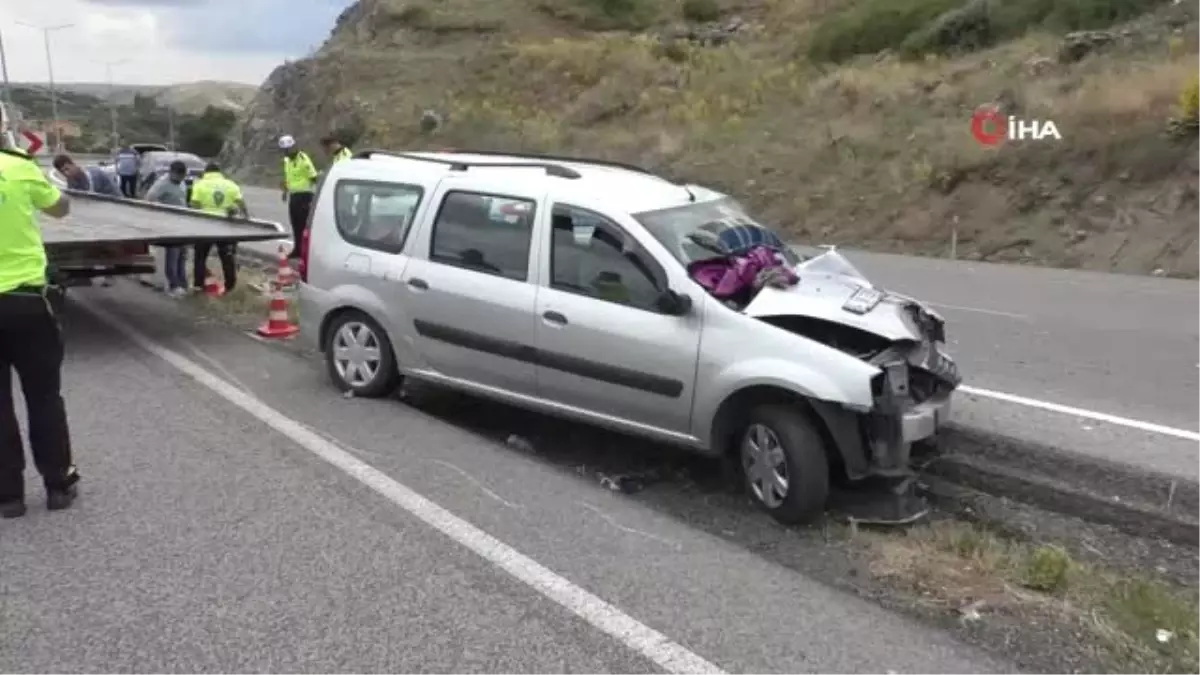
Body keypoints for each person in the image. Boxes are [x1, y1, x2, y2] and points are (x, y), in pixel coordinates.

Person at [0, 145, 79, 518]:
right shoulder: (20, 168)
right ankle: (57, 486)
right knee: (44, 397)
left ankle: (9, 497)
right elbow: (61, 208)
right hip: (28, 302)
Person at [52, 154, 119, 287]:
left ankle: (110, 274)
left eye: (67, 168)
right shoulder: (71, 179)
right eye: (63, 172)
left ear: (73, 164)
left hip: (112, 208)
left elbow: (89, 199)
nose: (67, 173)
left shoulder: (90, 176)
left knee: (106, 244)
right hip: (96, 210)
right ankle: (85, 275)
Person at [189, 162, 248, 294]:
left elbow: (194, 204)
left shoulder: (199, 185)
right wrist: (246, 217)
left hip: (205, 226)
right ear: (219, 172)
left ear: (206, 172)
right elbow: (241, 202)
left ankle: (198, 285)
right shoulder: (230, 184)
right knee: (227, 257)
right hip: (226, 226)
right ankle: (230, 286)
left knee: (200, 257)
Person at [144, 160, 190, 297]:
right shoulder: (162, 184)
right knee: (173, 256)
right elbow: (149, 199)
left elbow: (183, 200)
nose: (181, 179)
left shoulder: (182, 183)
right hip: (170, 225)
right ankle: (173, 285)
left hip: (182, 223)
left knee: (182, 256)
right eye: (178, 176)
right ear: (171, 173)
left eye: (183, 176)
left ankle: (183, 284)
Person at [279, 134, 317, 259]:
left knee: (304, 224)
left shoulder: (303, 158)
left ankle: (307, 250)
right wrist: (285, 191)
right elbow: (287, 177)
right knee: (295, 224)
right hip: (294, 196)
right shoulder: (286, 161)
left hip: (305, 195)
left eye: (287, 150)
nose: (285, 152)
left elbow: (313, 176)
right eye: (284, 150)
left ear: (293, 147)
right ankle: (297, 249)